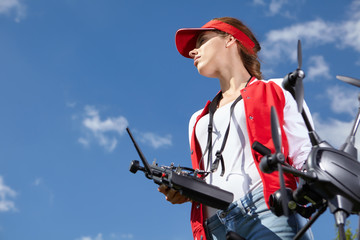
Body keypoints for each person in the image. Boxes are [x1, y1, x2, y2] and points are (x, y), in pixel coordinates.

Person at [158, 17, 314, 240]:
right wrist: (185, 191)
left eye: (202, 41)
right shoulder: (197, 119)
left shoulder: (278, 88)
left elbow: (304, 155)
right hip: (215, 225)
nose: (194, 52)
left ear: (230, 39)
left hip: (268, 211)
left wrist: (309, 193)